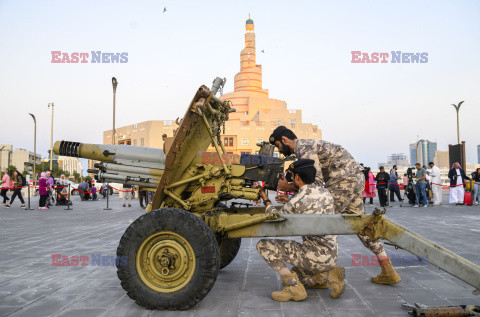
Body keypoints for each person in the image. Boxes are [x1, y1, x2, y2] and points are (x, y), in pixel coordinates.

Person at [269, 126, 400, 285]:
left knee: (318, 222)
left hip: (343, 181)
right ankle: (388, 270)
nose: (279, 150)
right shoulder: (307, 145)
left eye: (278, 145)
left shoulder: (303, 148)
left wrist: (289, 188)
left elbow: (314, 184)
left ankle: (320, 272)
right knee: (362, 226)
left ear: (284, 140)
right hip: (353, 179)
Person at [256, 159, 344, 302]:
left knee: (263, 245)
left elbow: (276, 220)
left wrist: (266, 200)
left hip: (315, 255)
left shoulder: (297, 201)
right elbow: (307, 202)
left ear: (297, 177)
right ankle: (326, 276)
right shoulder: (325, 192)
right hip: (330, 254)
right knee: (300, 275)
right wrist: (290, 201)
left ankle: (294, 288)